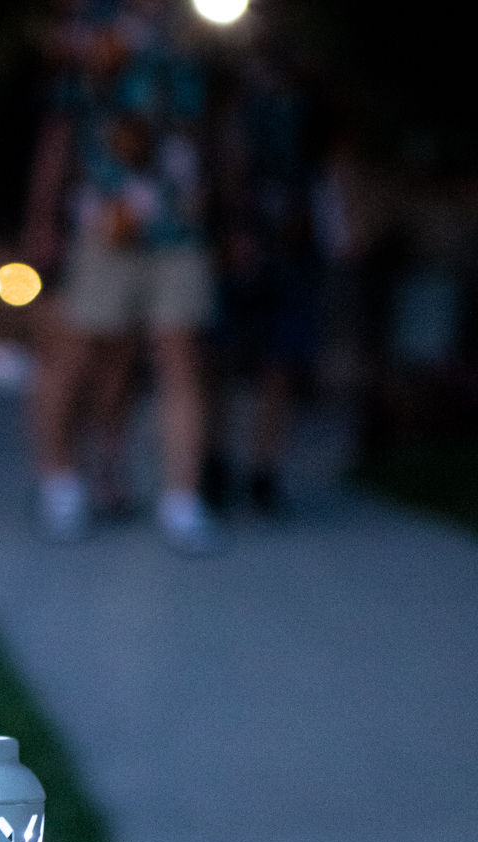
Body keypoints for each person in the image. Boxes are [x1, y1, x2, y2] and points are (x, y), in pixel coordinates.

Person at [24, 0, 221, 553]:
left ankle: (182, 500)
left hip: (179, 226)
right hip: (105, 222)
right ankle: (59, 482)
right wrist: (43, 217)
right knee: (80, 352)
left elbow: (207, 129)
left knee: (180, 355)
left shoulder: (194, 34)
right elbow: (59, 131)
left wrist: (225, 207)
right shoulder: (88, 30)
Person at [203, 20, 325, 513]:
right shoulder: (230, 107)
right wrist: (235, 230)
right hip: (238, 249)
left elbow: (323, 173)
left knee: (278, 363)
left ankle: (262, 470)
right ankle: (217, 461)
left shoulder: (309, 106)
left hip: (290, 250)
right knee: (223, 361)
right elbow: (224, 169)